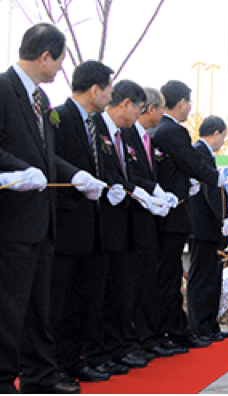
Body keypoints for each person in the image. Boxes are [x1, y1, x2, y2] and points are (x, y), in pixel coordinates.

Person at [0, 23, 104, 394]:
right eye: (59, 60)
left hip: (43, 222)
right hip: (12, 222)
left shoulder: (40, 101)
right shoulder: (2, 89)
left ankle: (38, 374)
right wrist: (13, 171)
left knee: (36, 307)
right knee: (9, 308)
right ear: (45, 56)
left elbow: (46, 159)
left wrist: (76, 176)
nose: (61, 68)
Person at [52, 60, 115, 382]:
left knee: (82, 300)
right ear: (95, 89)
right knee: (60, 301)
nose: (110, 96)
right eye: (109, 89)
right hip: (65, 225)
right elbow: (50, 161)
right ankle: (54, 366)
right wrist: (77, 180)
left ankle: (74, 360)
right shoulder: (58, 117)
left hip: (91, 226)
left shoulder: (94, 124)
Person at [85, 80, 154, 374]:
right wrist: (128, 189)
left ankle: (115, 348)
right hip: (100, 223)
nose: (137, 117)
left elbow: (130, 172)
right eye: (137, 109)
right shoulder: (96, 128)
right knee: (99, 294)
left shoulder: (121, 135)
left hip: (124, 222)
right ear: (126, 104)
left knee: (119, 292)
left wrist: (149, 192)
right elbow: (104, 172)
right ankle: (98, 351)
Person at [151, 80, 221, 352]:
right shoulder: (173, 132)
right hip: (172, 214)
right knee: (168, 277)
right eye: (189, 103)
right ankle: (173, 332)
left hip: (166, 213)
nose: (190, 109)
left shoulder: (158, 130)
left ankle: (174, 331)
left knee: (168, 276)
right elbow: (192, 164)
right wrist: (217, 178)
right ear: (180, 103)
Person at [121, 87, 177, 358]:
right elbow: (129, 172)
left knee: (146, 281)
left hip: (148, 222)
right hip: (130, 220)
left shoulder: (149, 139)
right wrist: (150, 189)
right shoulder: (128, 134)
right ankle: (135, 338)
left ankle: (147, 336)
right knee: (133, 283)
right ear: (150, 109)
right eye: (161, 108)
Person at [187, 115, 228, 341]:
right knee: (202, 279)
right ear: (216, 133)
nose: (223, 141)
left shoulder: (206, 154)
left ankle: (210, 325)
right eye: (223, 135)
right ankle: (200, 327)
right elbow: (210, 190)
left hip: (209, 229)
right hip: (202, 227)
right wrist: (224, 218)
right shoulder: (199, 152)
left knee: (212, 277)